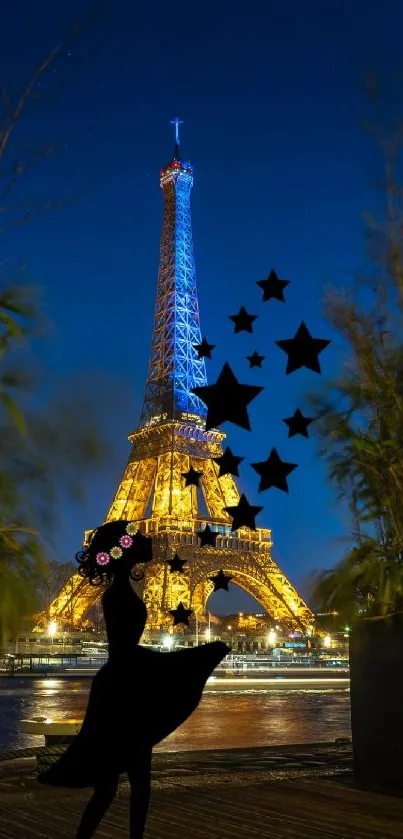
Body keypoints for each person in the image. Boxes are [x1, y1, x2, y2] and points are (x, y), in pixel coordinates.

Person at [37, 519, 230, 838]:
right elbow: (125, 650)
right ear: (123, 550)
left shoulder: (118, 592)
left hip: (121, 684)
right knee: (129, 783)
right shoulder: (117, 595)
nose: (145, 540)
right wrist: (184, 660)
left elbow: (125, 651)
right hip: (124, 687)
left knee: (113, 785)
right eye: (136, 538)